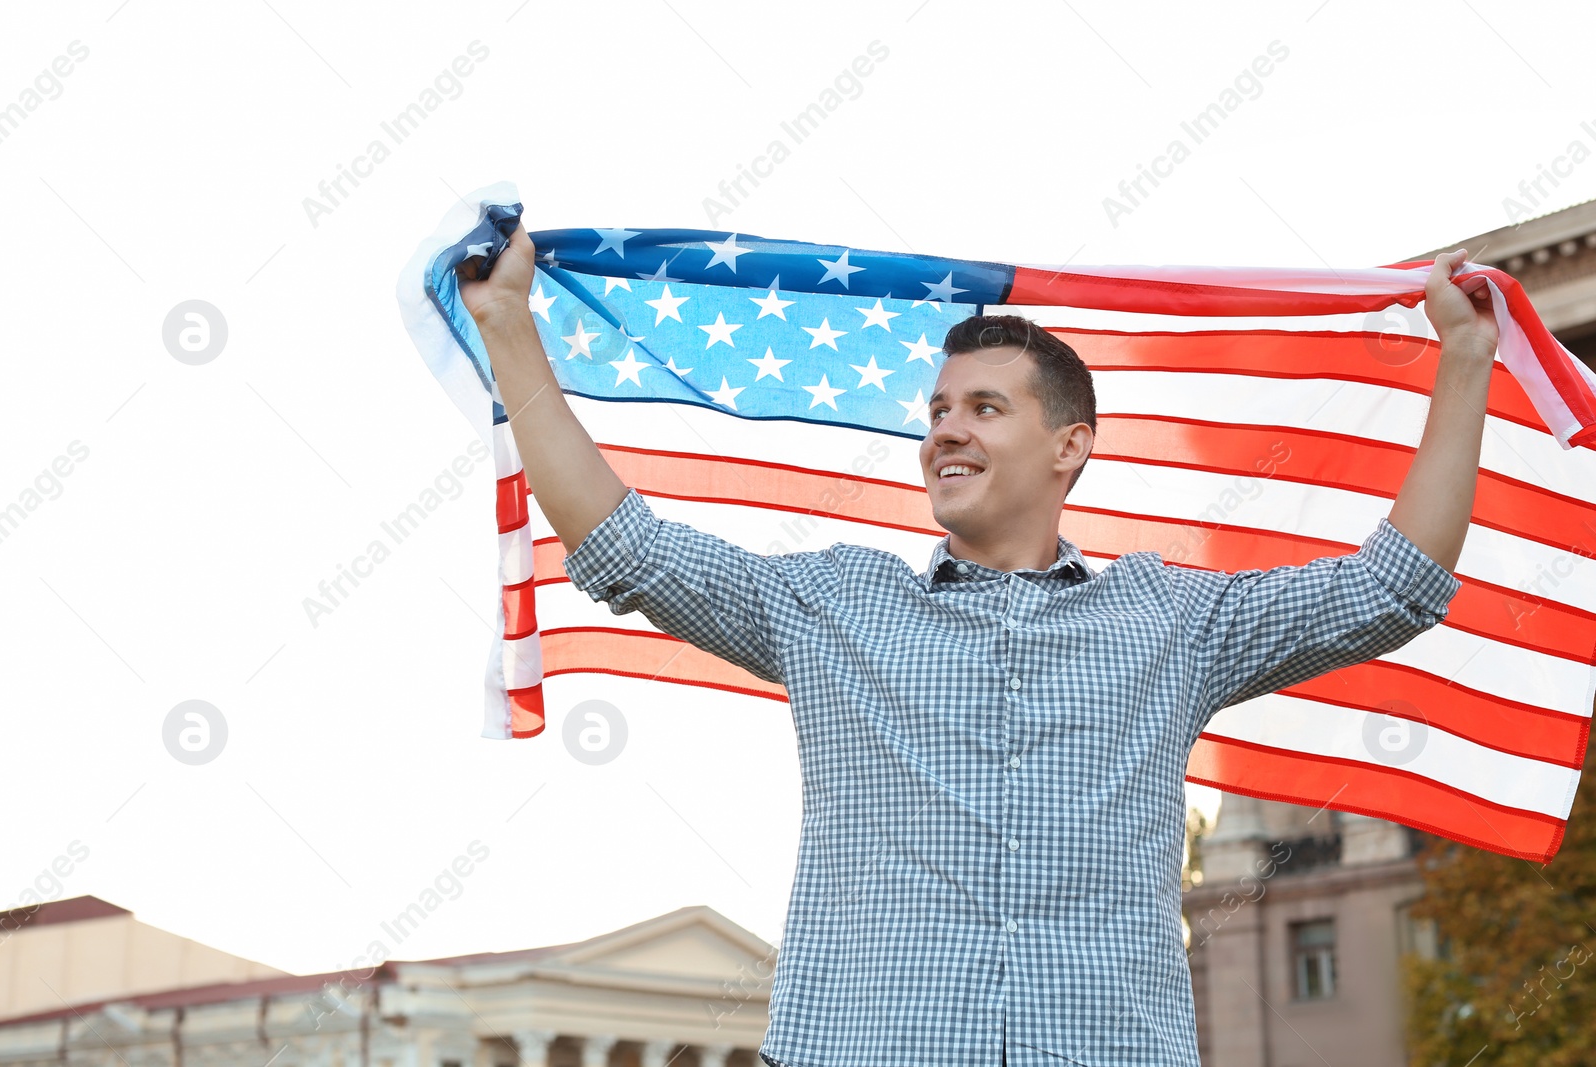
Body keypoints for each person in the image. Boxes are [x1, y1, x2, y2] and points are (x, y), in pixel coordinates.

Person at [459, 226, 1500, 1066]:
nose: (943, 431)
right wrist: (510, 327)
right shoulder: (832, 606)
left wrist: (1463, 360)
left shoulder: (1175, 624)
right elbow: (625, 547)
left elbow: (1392, 587)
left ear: (1068, 447)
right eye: (938, 410)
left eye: (983, 408)